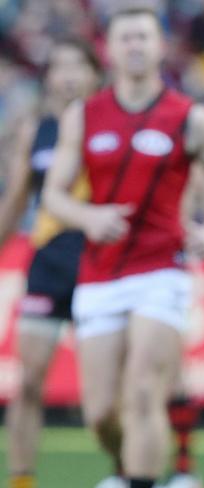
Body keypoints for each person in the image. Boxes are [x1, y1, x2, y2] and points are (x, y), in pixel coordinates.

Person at [43, 7, 204, 488]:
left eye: (143, 37)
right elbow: (53, 194)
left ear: (160, 47)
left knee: (142, 391)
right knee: (98, 413)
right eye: (125, 38)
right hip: (99, 273)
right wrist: (88, 215)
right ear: (109, 50)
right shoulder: (84, 115)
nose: (134, 45)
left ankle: (144, 479)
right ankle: (130, 467)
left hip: (162, 270)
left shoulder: (190, 118)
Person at [0, 38, 101, 488]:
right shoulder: (35, 130)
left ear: (94, 74)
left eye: (76, 64)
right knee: (30, 381)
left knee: (105, 394)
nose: (67, 74)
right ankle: (22, 480)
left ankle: (126, 471)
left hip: (102, 265)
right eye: (58, 65)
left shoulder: (110, 125)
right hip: (48, 263)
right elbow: (18, 195)